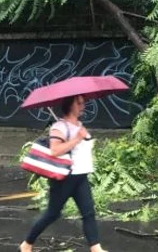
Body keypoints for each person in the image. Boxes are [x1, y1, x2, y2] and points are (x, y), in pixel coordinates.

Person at [19, 95, 108, 252]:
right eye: (79, 103)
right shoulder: (59, 127)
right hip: (65, 178)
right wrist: (76, 139)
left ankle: (96, 249)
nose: (83, 105)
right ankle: (26, 244)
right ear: (70, 105)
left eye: (83, 102)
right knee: (52, 214)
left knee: (88, 213)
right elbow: (55, 151)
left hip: (81, 177)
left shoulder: (79, 125)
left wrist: (82, 138)